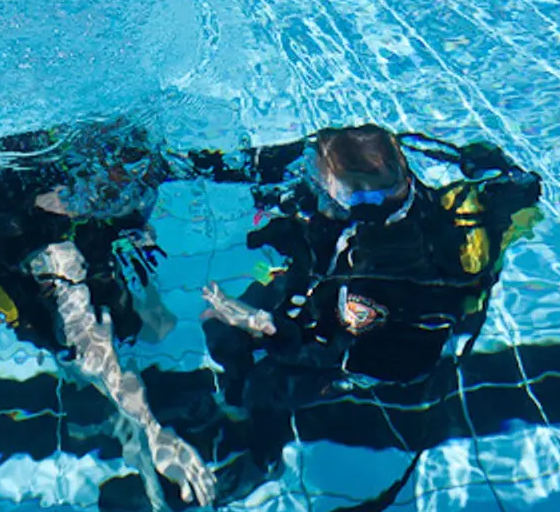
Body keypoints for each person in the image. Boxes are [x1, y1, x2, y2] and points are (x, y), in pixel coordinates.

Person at [190, 125, 542, 492]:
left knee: (265, 385)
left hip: (375, 355)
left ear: (352, 200)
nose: (313, 184)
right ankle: (234, 393)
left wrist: (260, 323)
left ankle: (264, 462)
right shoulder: (416, 203)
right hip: (332, 293)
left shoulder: (375, 275)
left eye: (325, 185)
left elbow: (321, 350)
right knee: (220, 330)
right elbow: (524, 186)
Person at [0, 118, 215, 512]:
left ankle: (125, 444)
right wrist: (153, 433)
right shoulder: (58, 252)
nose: (138, 181)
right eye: (124, 172)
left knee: (147, 329)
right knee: (129, 336)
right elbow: (93, 345)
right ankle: (123, 439)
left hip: (16, 254)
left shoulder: (86, 213)